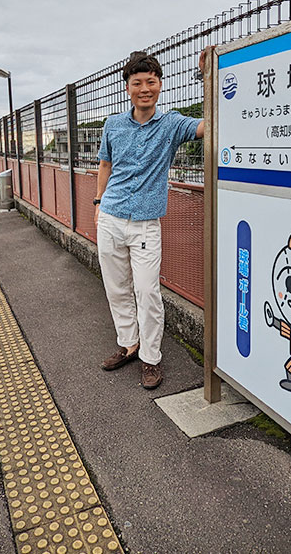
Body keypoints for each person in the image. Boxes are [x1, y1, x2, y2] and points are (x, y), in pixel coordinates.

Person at [94, 51, 204, 389]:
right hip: (111, 216)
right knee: (116, 288)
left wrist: (209, 79)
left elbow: (207, 127)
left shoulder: (171, 123)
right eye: (137, 83)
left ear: (159, 85)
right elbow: (104, 165)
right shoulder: (113, 124)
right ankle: (129, 345)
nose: (145, 88)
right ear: (127, 87)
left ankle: (151, 359)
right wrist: (98, 204)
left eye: (151, 82)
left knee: (147, 291)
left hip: (145, 224)